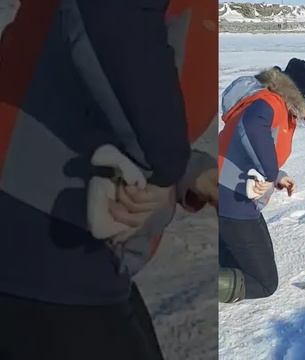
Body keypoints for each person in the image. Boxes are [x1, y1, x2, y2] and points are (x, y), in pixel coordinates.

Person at [0, 1, 217, 359]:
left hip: (72, 243)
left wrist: (185, 170)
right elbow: (111, 16)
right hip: (41, 233)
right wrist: (164, 164)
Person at [218, 58, 305, 303]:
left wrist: (277, 176)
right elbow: (252, 126)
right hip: (231, 201)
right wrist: (269, 174)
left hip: (230, 194)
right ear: (301, 96)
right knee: (264, 283)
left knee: (237, 260)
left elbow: (244, 148)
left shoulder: (276, 106)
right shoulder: (268, 103)